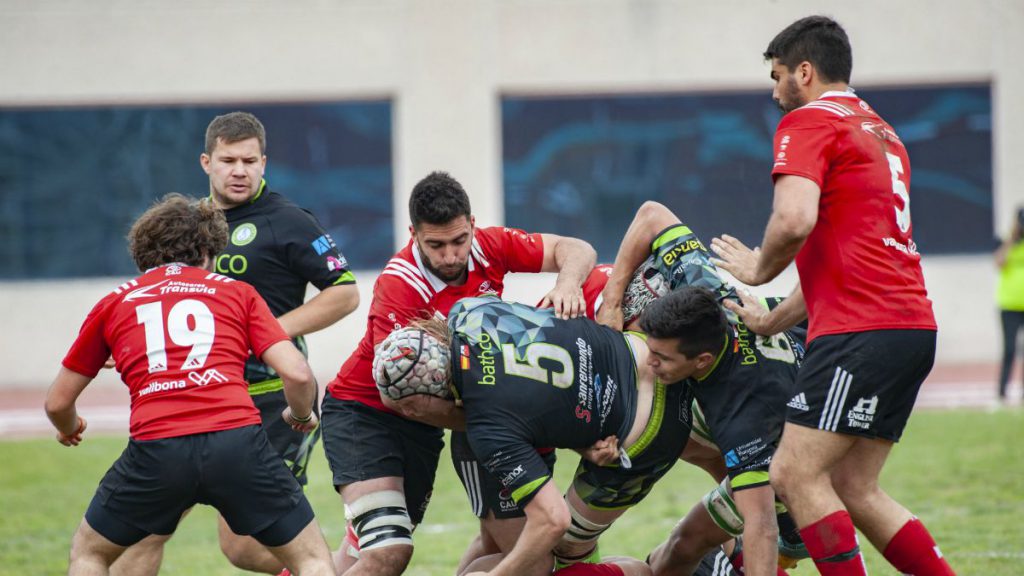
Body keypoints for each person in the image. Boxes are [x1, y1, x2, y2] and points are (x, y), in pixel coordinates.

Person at [710, 16, 954, 576]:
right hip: (909, 325)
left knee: (793, 474)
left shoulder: (810, 120)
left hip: (860, 334)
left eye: (777, 77)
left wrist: (758, 268)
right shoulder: (879, 129)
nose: (774, 92)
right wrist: (771, 323)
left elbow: (794, 220)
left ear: (805, 70)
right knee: (853, 484)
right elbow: (841, 260)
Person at [114, 111, 361, 576]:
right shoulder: (186, 226)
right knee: (142, 534)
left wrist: (267, 332)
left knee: (244, 546)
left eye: (249, 160)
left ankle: (337, 564)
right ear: (206, 162)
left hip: (269, 402)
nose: (239, 170)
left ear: (264, 162)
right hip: (188, 398)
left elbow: (345, 293)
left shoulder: (288, 221)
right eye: (228, 160)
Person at [320, 171, 596, 575]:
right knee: (388, 551)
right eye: (435, 245)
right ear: (413, 234)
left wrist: (568, 284)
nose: (450, 256)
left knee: (368, 551)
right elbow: (402, 397)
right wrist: (508, 419)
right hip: (366, 415)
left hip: (426, 427)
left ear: (471, 224)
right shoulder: (400, 286)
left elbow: (576, 248)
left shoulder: (490, 245)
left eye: (458, 241)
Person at [44, 194, 335, 576]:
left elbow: (57, 402)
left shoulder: (114, 302)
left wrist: (70, 428)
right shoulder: (237, 292)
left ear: (144, 251)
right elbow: (297, 373)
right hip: (237, 445)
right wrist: (299, 414)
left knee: (90, 554)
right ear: (205, 248)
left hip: (157, 450)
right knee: (312, 559)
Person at [373, 296, 694, 576]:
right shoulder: (469, 311)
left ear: (428, 399)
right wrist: (582, 443)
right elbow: (539, 388)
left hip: (654, 434)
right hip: (652, 353)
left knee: (570, 549)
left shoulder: (489, 428)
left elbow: (552, 520)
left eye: (410, 410)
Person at [640, 287, 802, 576]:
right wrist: (613, 299)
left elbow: (761, 525)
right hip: (806, 409)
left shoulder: (741, 416)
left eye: (661, 358)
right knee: (682, 546)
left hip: (806, 455)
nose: (649, 364)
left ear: (702, 360)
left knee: (683, 545)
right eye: (650, 350)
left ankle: (788, 525)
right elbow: (655, 237)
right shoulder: (716, 296)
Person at [994, 206, 1024, 403]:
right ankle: (1002, 390)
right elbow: (998, 261)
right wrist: (1012, 238)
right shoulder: (1007, 242)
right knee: (1010, 349)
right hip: (1009, 305)